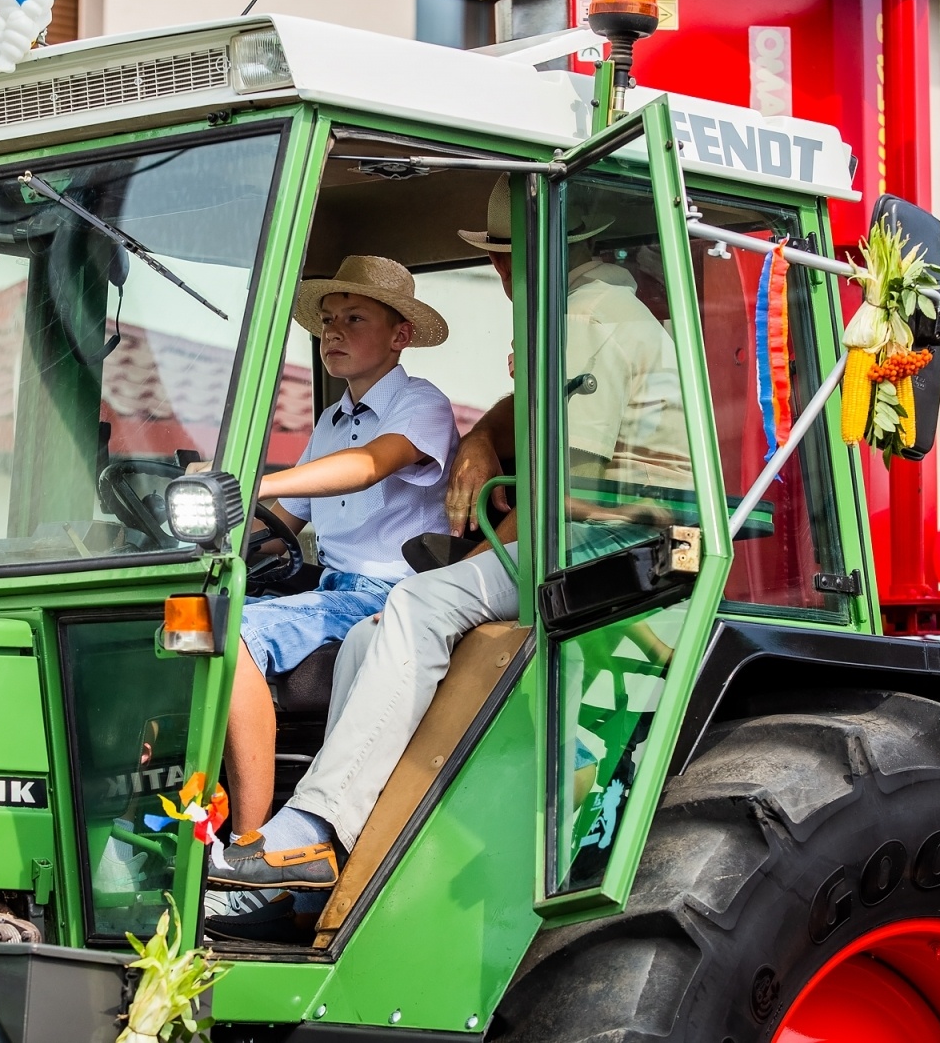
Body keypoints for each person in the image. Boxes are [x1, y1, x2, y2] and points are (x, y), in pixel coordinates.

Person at [207, 178, 690, 918]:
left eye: (503, 251)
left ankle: (308, 829)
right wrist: (484, 438)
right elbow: (531, 421)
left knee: (416, 602)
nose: (498, 269)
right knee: (369, 641)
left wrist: (465, 563)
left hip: (619, 544)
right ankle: (324, 868)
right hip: (593, 533)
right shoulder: (588, 312)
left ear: (543, 246)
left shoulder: (585, 315)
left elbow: (561, 484)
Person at [220, 254, 459, 875]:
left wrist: (252, 481)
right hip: (331, 589)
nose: (333, 332)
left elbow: (369, 465)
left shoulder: (421, 404)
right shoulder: (330, 421)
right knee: (186, 619)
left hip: (391, 596)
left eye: (354, 318)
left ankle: (251, 852)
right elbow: (283, 526)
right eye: (328, 320)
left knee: (231, 634)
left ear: (400, 335)